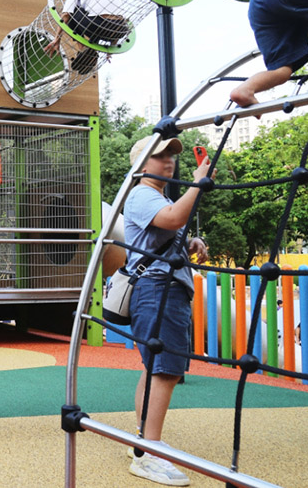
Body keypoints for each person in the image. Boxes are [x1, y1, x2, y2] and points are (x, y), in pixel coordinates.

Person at [123, 137, 211, 486]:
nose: (169, 160)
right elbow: (174, 218)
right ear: (143, 164)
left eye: (171, 154)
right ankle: (149, 451)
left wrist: (190, 244)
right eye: (159, 155)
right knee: (166, 370)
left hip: (161, 287)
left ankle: (145, 442)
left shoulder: (160, 197)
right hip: (159, 289)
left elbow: (169, 227)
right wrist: (199, 183)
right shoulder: (143, 194)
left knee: (156, 367)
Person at [49, 0, 129, 73]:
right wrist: (111, 48)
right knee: (94, 19)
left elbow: (66, 16)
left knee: (71, 13)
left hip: (97, 26)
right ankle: (89, 49)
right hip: (120, 30)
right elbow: (114, 23)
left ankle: (83, 48)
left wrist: (57, 39)